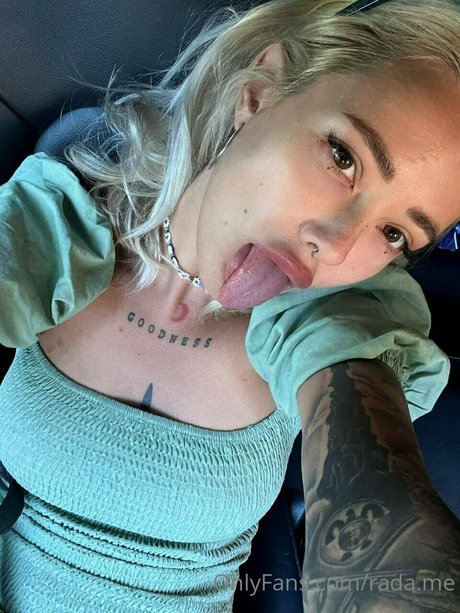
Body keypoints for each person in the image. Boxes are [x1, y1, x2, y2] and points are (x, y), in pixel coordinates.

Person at [0, 0, 460, 610]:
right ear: (260, 93)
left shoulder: (330, 330)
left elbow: (381, 516)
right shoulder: (53, 226)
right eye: (343, 157)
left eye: (395, 233)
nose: (337, 244)